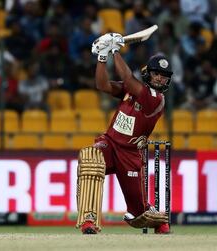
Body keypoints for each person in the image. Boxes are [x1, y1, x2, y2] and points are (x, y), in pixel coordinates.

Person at [75, 33, 172, 235]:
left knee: (137, 216)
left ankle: (158, 220)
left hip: (130, 156)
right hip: (110, 143)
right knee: (91, 159)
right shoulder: (135, 90)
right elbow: (102, 85)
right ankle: (88, 221)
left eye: (164, 76)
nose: (160, 78)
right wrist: (102, 57)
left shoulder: (156, 99)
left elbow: (128, 79)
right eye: (156, 74)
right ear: (148, 74)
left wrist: (114, 49)